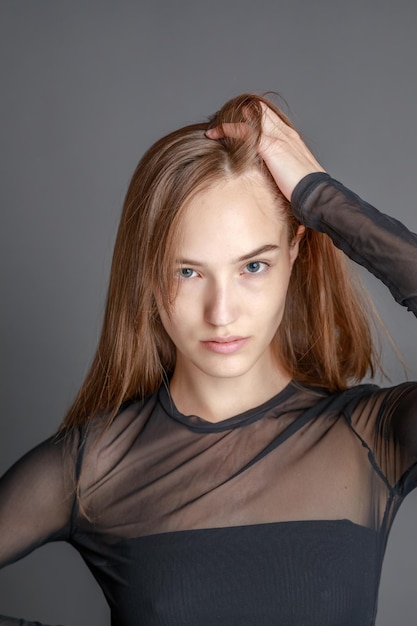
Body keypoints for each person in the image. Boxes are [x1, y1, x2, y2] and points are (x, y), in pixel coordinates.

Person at [1, 93, 417, 626]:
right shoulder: (94, 468)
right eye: (188, 272)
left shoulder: (370, 439)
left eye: (253, 267)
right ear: (149, 275)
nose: (222, 313)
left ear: (295, 251)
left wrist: (321, 197)